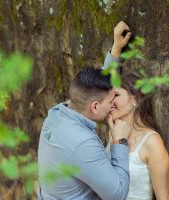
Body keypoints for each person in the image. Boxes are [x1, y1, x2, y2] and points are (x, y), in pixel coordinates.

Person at [37, 42, 133, 199]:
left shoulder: (56, 114)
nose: (112, 105)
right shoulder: (83, 143)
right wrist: (120, 142)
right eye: (111, 101)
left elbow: (94, 89)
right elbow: (117, 194)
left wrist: (115, 50)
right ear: (95, 107)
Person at [104, 21, 169, 200]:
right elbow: (102, 86)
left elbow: (164, 198)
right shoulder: (114, 132)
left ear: (135, 99)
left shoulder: (152, 143)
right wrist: (116, 47)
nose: (109, 102)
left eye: (116, 96)